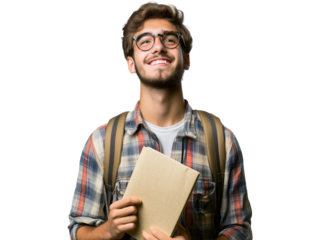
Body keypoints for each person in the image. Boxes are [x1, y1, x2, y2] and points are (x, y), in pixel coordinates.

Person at [67, 1, 253, 240]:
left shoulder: (222, 140)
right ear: (130, 63)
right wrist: (109, 229)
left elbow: (240, 230)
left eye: (169, 39)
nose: (158, 47)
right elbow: (77, 229)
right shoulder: (102, 141)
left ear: (186, 60)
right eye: (145, 41)